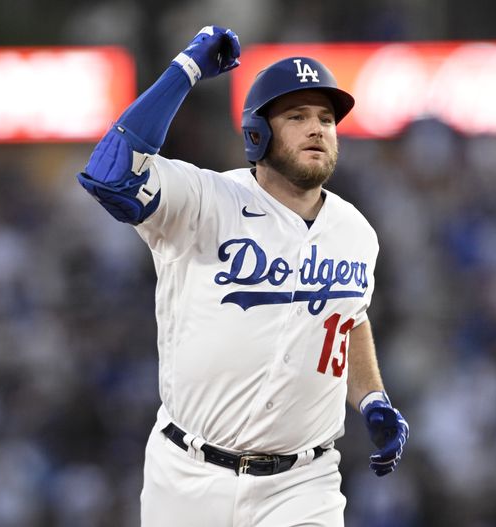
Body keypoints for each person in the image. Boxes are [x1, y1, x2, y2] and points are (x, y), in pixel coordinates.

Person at [76, 25, 409, 526]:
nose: (318, 128)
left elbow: (347, 318)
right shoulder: (206, 200)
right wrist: (185, 71)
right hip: (187, 478)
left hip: (303, 483)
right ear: (257, 133)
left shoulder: (356, 232)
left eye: (326, 118)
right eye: (297, 116)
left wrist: (373, 397)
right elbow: (109, 173)